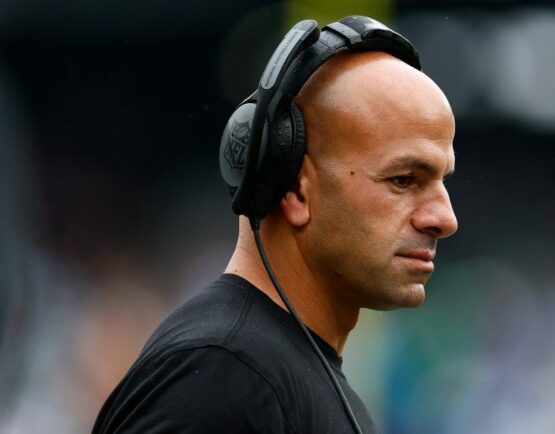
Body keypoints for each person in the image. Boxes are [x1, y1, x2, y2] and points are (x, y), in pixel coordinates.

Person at [92, 18, 457, 434]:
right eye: (403, 180)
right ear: (296, 191)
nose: (445, 219)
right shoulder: (223, 375)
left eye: (442, 181)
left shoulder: (272, 374)